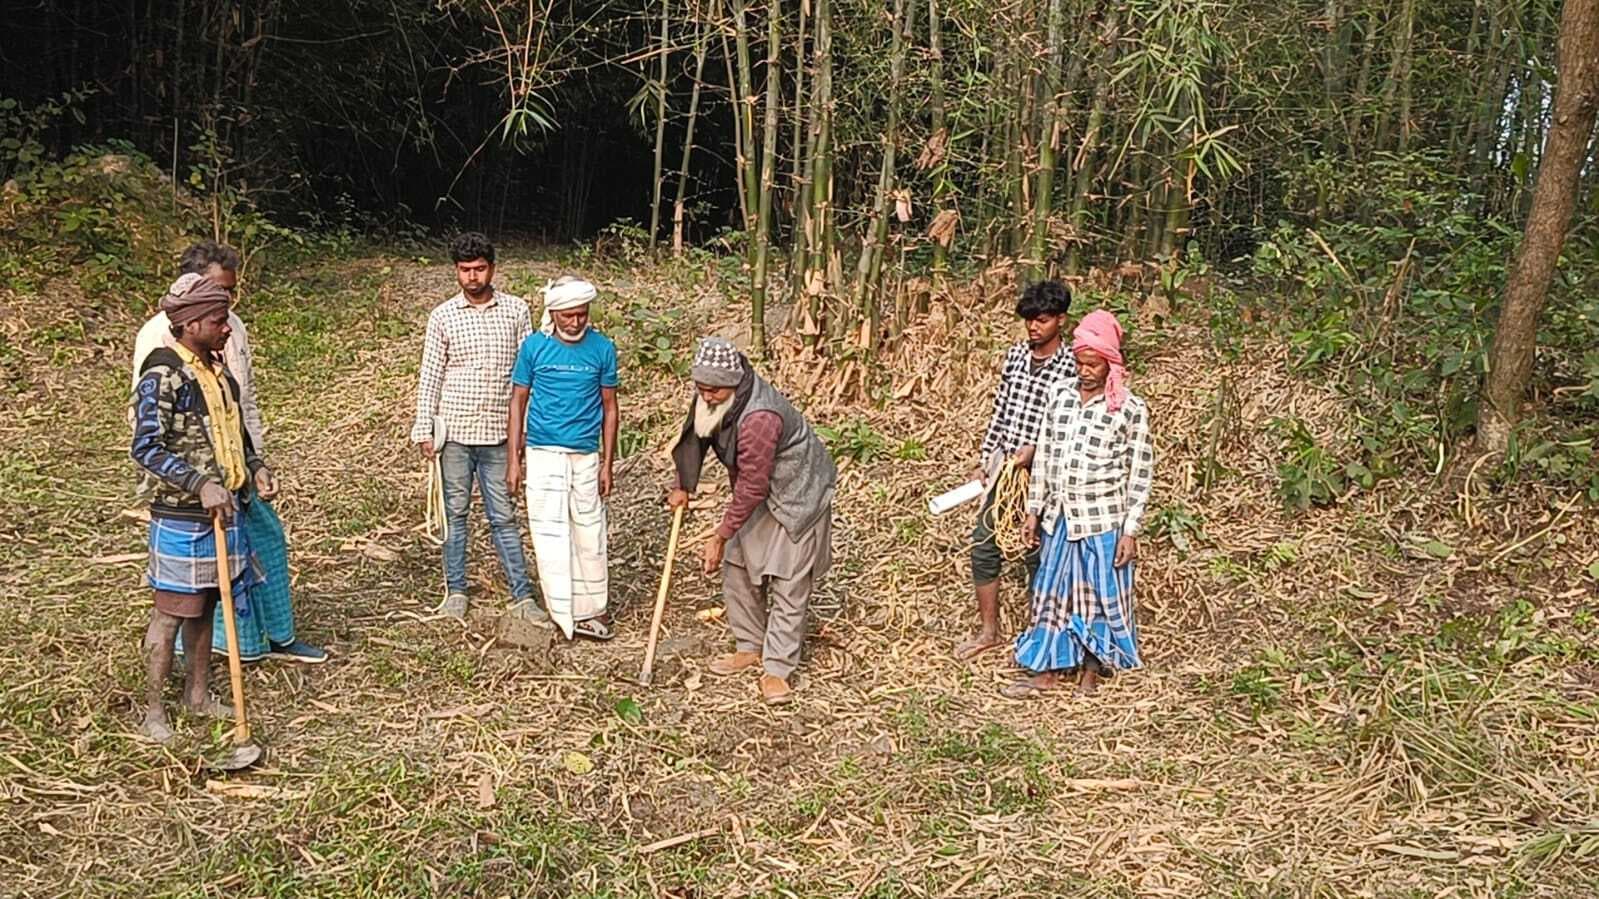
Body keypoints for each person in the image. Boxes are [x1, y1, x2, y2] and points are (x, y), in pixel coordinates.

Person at [131, 241, 326, 664]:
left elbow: (241, 403)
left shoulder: (228, 332)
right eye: (218, 299)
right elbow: (148, 435)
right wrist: (196, 480)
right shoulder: (160, 347)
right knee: (188, 593)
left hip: (234, 472)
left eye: (230, 297)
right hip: (188, 494)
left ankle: (268, 638)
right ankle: (201, 657)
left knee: (260, 549)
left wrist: (254, 461)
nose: (227, 311)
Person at [131, 275, 273, 742]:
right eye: (218, 320)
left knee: (209, 606)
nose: (227, 327)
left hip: (224, 512)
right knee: (172, 611)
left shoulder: (217, 369)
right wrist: (199, 483)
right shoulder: (164, 373)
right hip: (181, 515)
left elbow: (237, 430)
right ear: (190, 323)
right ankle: (154, 712)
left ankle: (197, 695)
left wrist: (254, 466)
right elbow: (145, 447)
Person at [668, 337, 837, 705]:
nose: (706, 397)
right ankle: (751, 645)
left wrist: (720, 533)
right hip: (758, 491)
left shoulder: (760, 417)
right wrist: (683, 484)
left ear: (733, 383)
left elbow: (754, 485)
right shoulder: (715, 395)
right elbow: (695, 434)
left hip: (798, 494)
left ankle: (777, 668)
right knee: (737, 567)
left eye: (713, 390)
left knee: (789, 582)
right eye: (701, 388)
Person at [1005, 310, 1153, 699]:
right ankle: (1049, 671)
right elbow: (1047, 455)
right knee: (1052, 594)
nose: (1085, 371)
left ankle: (1092, 669)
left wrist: (1131, 530)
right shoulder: (1060, 396)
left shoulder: (1129, 409)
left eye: (1093, 365)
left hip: (1103, 520)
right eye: (1079, 362)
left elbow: (1139, 472)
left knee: (1098, 598)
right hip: (1060, 516)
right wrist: (1033, 510)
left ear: (1111, 365)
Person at [410, 232, 540, 622]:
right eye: (465, 270)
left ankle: (522, 595)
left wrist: (528, 430)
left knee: (503, 515)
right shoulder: (443, 316)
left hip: (501, 432)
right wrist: (424, 429)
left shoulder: (516, 311)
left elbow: (529, 373)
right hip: (455, 434)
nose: (472, 277)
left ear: (492, 269)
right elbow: (431, 374)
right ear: (456, 272)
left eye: (479, 269)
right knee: (454, 512)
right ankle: (455, 591)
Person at [953, 280, 1076, 662]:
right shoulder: (1015, 357)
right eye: (1029, 320)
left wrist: (1036, 450)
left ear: (1060, 320)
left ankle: (1040, 635)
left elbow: (1068, 426)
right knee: (985, 544)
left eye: (1042, 320)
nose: (1034, 327)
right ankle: (989, 631)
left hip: (1045, 476)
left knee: (1036, 553)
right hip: (1006, 470)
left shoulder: (1072, 366)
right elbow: (1000, 414)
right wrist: (986, 459)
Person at [506, 276, 619, 640]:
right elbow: (518, 400)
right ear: (553, 313)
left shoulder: (603, 348)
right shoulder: (534, 347)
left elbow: (610, 407)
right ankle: (560, 611)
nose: (575, 323)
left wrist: (607, 463)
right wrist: (514, 460)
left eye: (581, 315)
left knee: (589, 529)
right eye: (568, 316)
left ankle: (592, 610)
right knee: (549, 529)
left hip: (586, 453)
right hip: (542, 452)